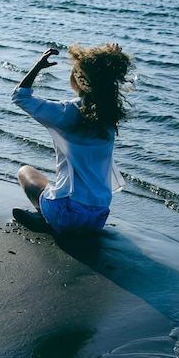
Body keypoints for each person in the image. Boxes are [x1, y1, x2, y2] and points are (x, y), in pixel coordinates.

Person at [11, 44, 132, 234]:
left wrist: (37, 67)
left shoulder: (68, 111)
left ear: (78, 79)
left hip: (67, 214)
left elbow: (20, 97)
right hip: (98, 218)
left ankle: (47, 219)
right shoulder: (109, 115)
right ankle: (53, 215)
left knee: (25, 172)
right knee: (61, 185)